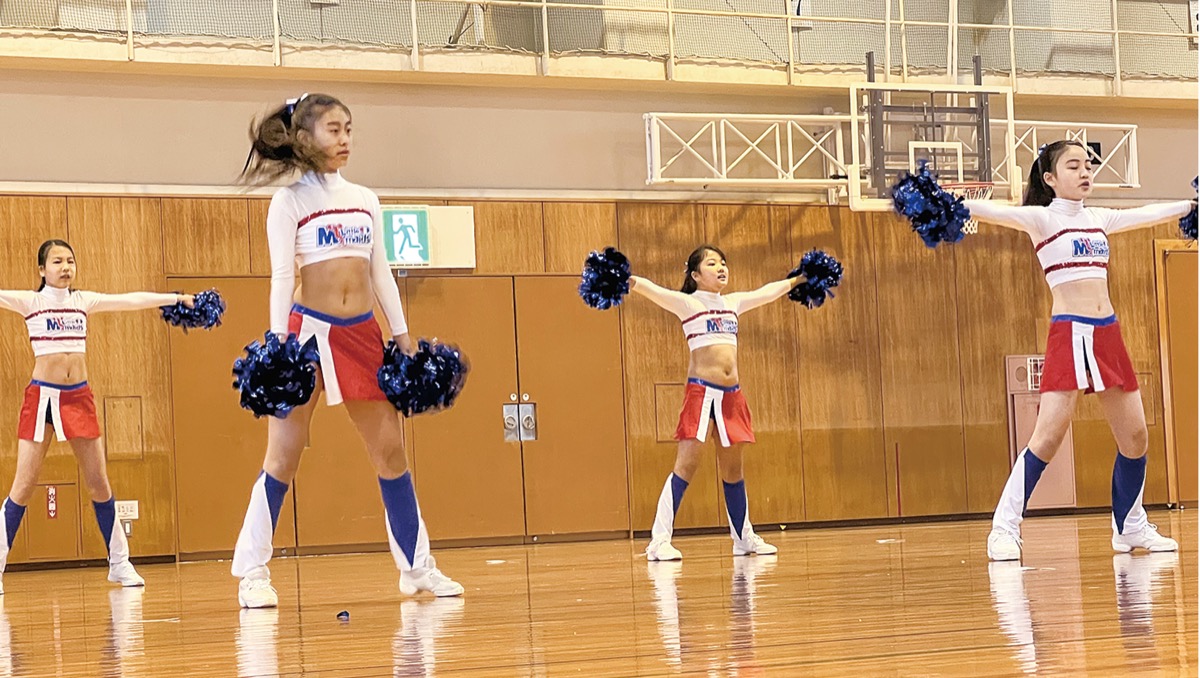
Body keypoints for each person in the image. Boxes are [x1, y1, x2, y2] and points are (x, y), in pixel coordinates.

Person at [231, 93, 463, 609]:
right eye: (334, 130)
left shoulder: (365, 197)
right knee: (283, 457)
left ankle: (417, 568)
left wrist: (404, 340)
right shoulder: (288, 201)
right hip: (307, 334)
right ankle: (253, 573)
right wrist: (278, 346)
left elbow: (380, 273)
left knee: (391, 452)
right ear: (306, 137)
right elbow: (282, 277)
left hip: (361, 335)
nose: (345, 140)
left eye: (349, 130)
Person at [964, 140, 1191, 561]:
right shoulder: (1041, 219)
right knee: (1048, 436)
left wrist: (1188, 205)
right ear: (1050, 179)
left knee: (1136, 436)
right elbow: (991, 211)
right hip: (1069, 331)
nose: (1085, 172)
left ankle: (1130, 526)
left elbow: (1145, 215)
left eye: (1088, 165)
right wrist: (945, 201)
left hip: (1107, 331)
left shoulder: (1099, 218)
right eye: (1074, 166)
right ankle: (1004, 527)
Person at [0, 239, 197, 592]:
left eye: (70, 261)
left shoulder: (83, 302)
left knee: (99, 483)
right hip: (42, 399)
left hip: (79, 398)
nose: (65, 267)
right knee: (23, 485)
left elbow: (130, 300)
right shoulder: (30, 302)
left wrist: (174, 298)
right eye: (57, 261)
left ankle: (120, 563)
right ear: (42, 269)